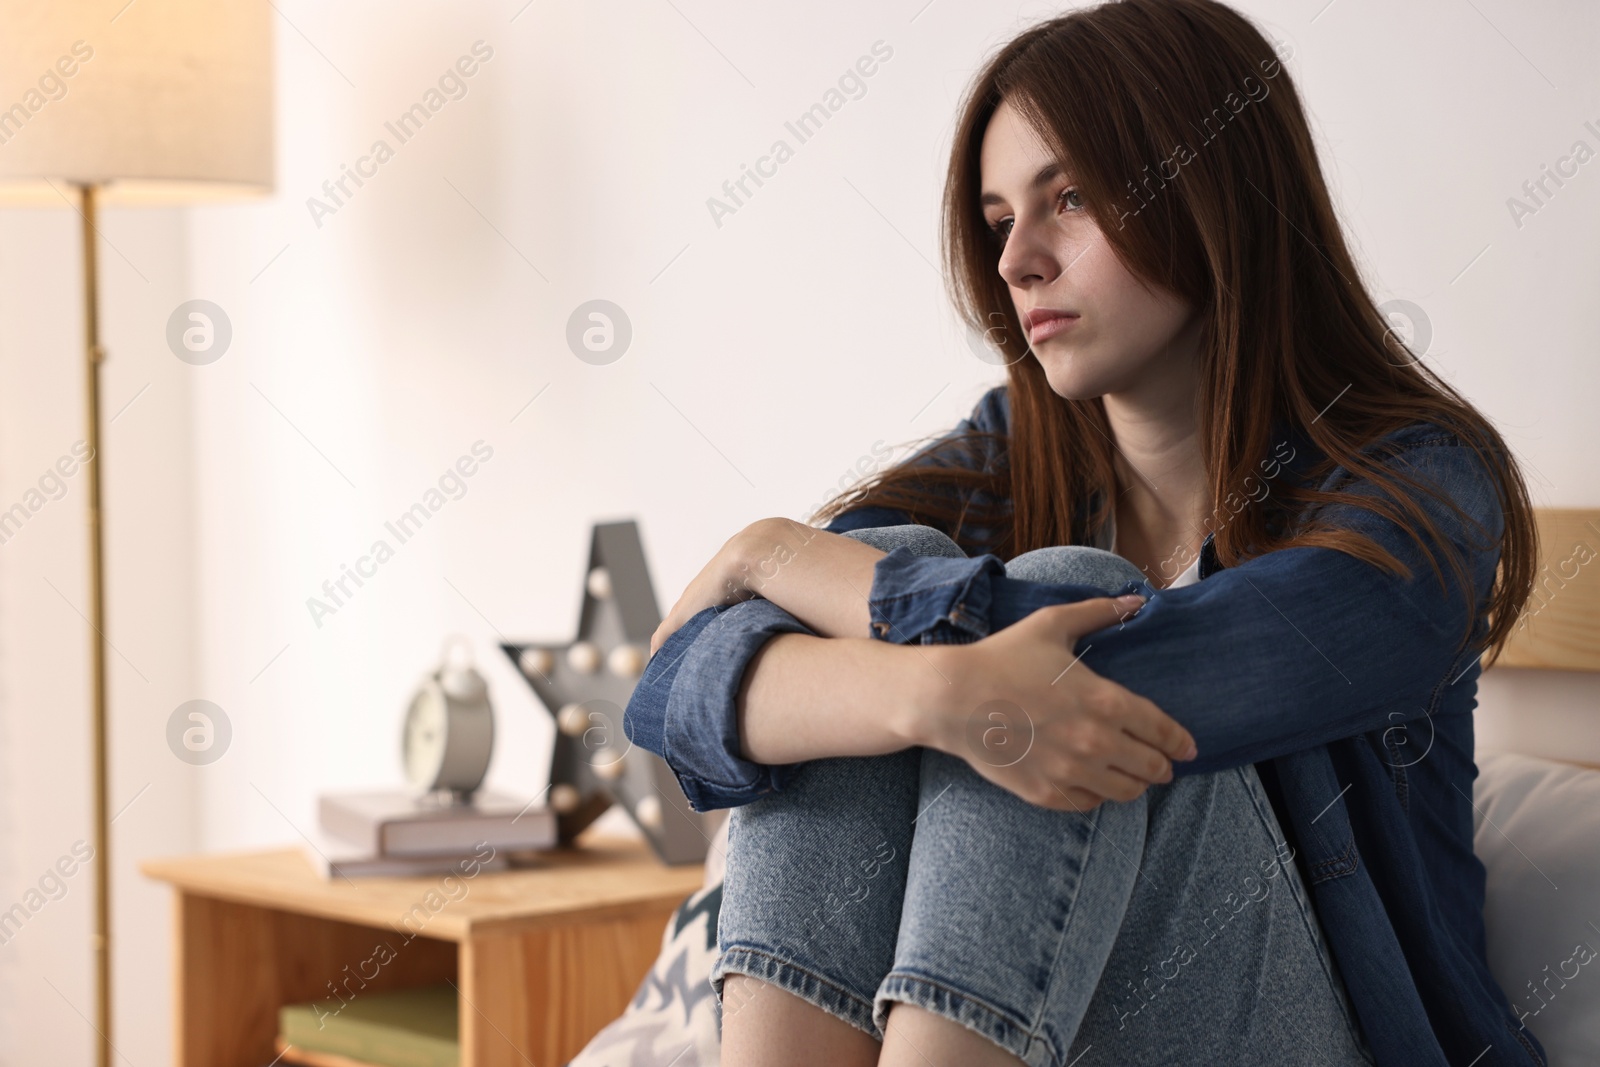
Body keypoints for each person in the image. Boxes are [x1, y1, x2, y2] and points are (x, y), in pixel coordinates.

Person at [621, 1, 1542, 1064]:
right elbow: (672, 689)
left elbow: (1109, 683)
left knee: (1051, 613)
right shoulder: (1009, 456)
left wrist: (789, 561)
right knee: (909, 592)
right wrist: (911, 683)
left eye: (1069, 199)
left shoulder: (1416, 488)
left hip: (1317, 1034)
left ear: (1215, 192)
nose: (1018, 262)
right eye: (1000, 218)